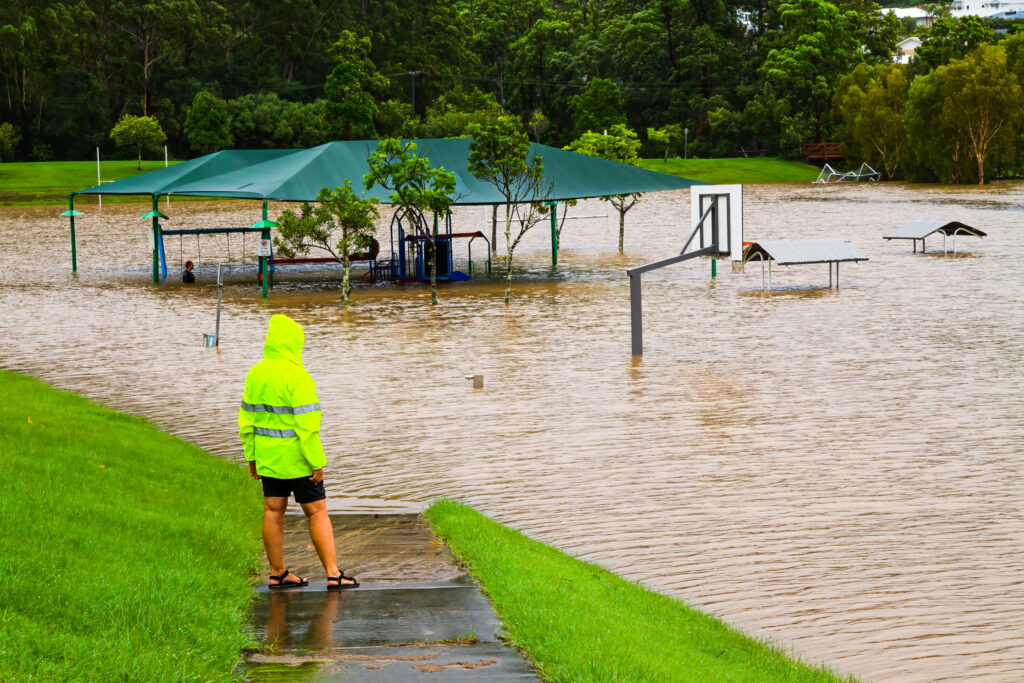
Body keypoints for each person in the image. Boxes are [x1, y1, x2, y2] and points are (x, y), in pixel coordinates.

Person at [239, 314, 358, 590]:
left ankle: (278, 573)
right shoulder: (299, 376)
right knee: (317, 512)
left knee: (272, 510)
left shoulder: (255, 373)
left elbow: (246, 420)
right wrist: (316, 462)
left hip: (268, 458)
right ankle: (333, 574)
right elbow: (308, 427)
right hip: (299, 459)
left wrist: (251, 456)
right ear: (294, 344)